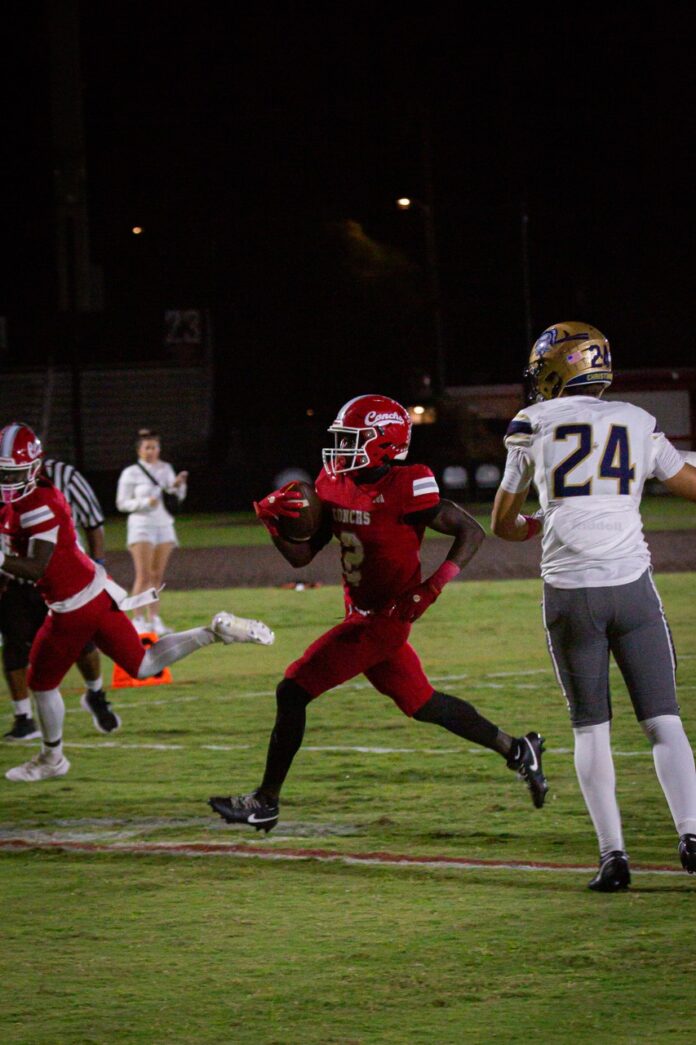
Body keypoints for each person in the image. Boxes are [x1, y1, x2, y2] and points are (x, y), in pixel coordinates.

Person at [209, 393, 548, 833]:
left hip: (385, 619)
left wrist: (433, 586)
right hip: (359, 611)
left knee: (292, 690)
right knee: (422, 702)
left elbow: (471, 530)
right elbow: (302, 558)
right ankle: (517, 749)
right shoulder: (332, 481)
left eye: (353, 439)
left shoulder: (409, 484)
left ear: (385, 443)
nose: (339, 449)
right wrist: (272, 522)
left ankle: (266, 801)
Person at [491, 321, 696, 889]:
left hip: (569, 595)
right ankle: (692, 832)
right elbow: (687, 481)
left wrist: (535, 522)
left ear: (559, 368)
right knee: (663, 722)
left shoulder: (532, 423)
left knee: (591, 730)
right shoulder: (637, 420)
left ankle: (614, 857)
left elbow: (502, 523)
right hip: (631, 587)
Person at [0, 421, 274, 783]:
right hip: (96, 592)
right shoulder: (28, 497)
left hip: (73, 607)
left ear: (34, 468)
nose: (8, 480)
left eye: (14, 473)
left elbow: (37, 566)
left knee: (42, 682)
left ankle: (52, 757)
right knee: (143, 664)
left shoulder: (38, 502)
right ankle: (214, 631)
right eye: (4, 472)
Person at [2, 456, 119, 741]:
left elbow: (93, 521)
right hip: (14, 578)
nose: (8, 477)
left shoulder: (62, 477)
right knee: (14, 644)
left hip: (58, 580)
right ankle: (23, 719)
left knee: (80, 642)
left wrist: (98, 564)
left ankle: (95, 692)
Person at [116, 429, 188, 636]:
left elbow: (175, 495)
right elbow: (121, 503)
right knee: (144, 574)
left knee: (157, 575)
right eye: (147, 447)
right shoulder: (131, 472)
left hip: (163, 524)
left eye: (155, 447)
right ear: (139, 450)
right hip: (141, 525)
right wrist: (144, 503)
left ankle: (154, 618)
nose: (151, 451)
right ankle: (138, 619)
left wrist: (179, 485)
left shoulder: (166, 468)